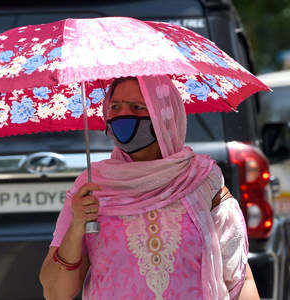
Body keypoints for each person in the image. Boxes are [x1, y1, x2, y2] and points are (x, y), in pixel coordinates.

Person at [39, 75, 260, 299]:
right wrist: (77, 227)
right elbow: (55, 292)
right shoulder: (92, 187)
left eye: (137, 107)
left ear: (165, 115)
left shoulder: (203, 180)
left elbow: (240, 279)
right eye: (115, 107)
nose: (123, 115)